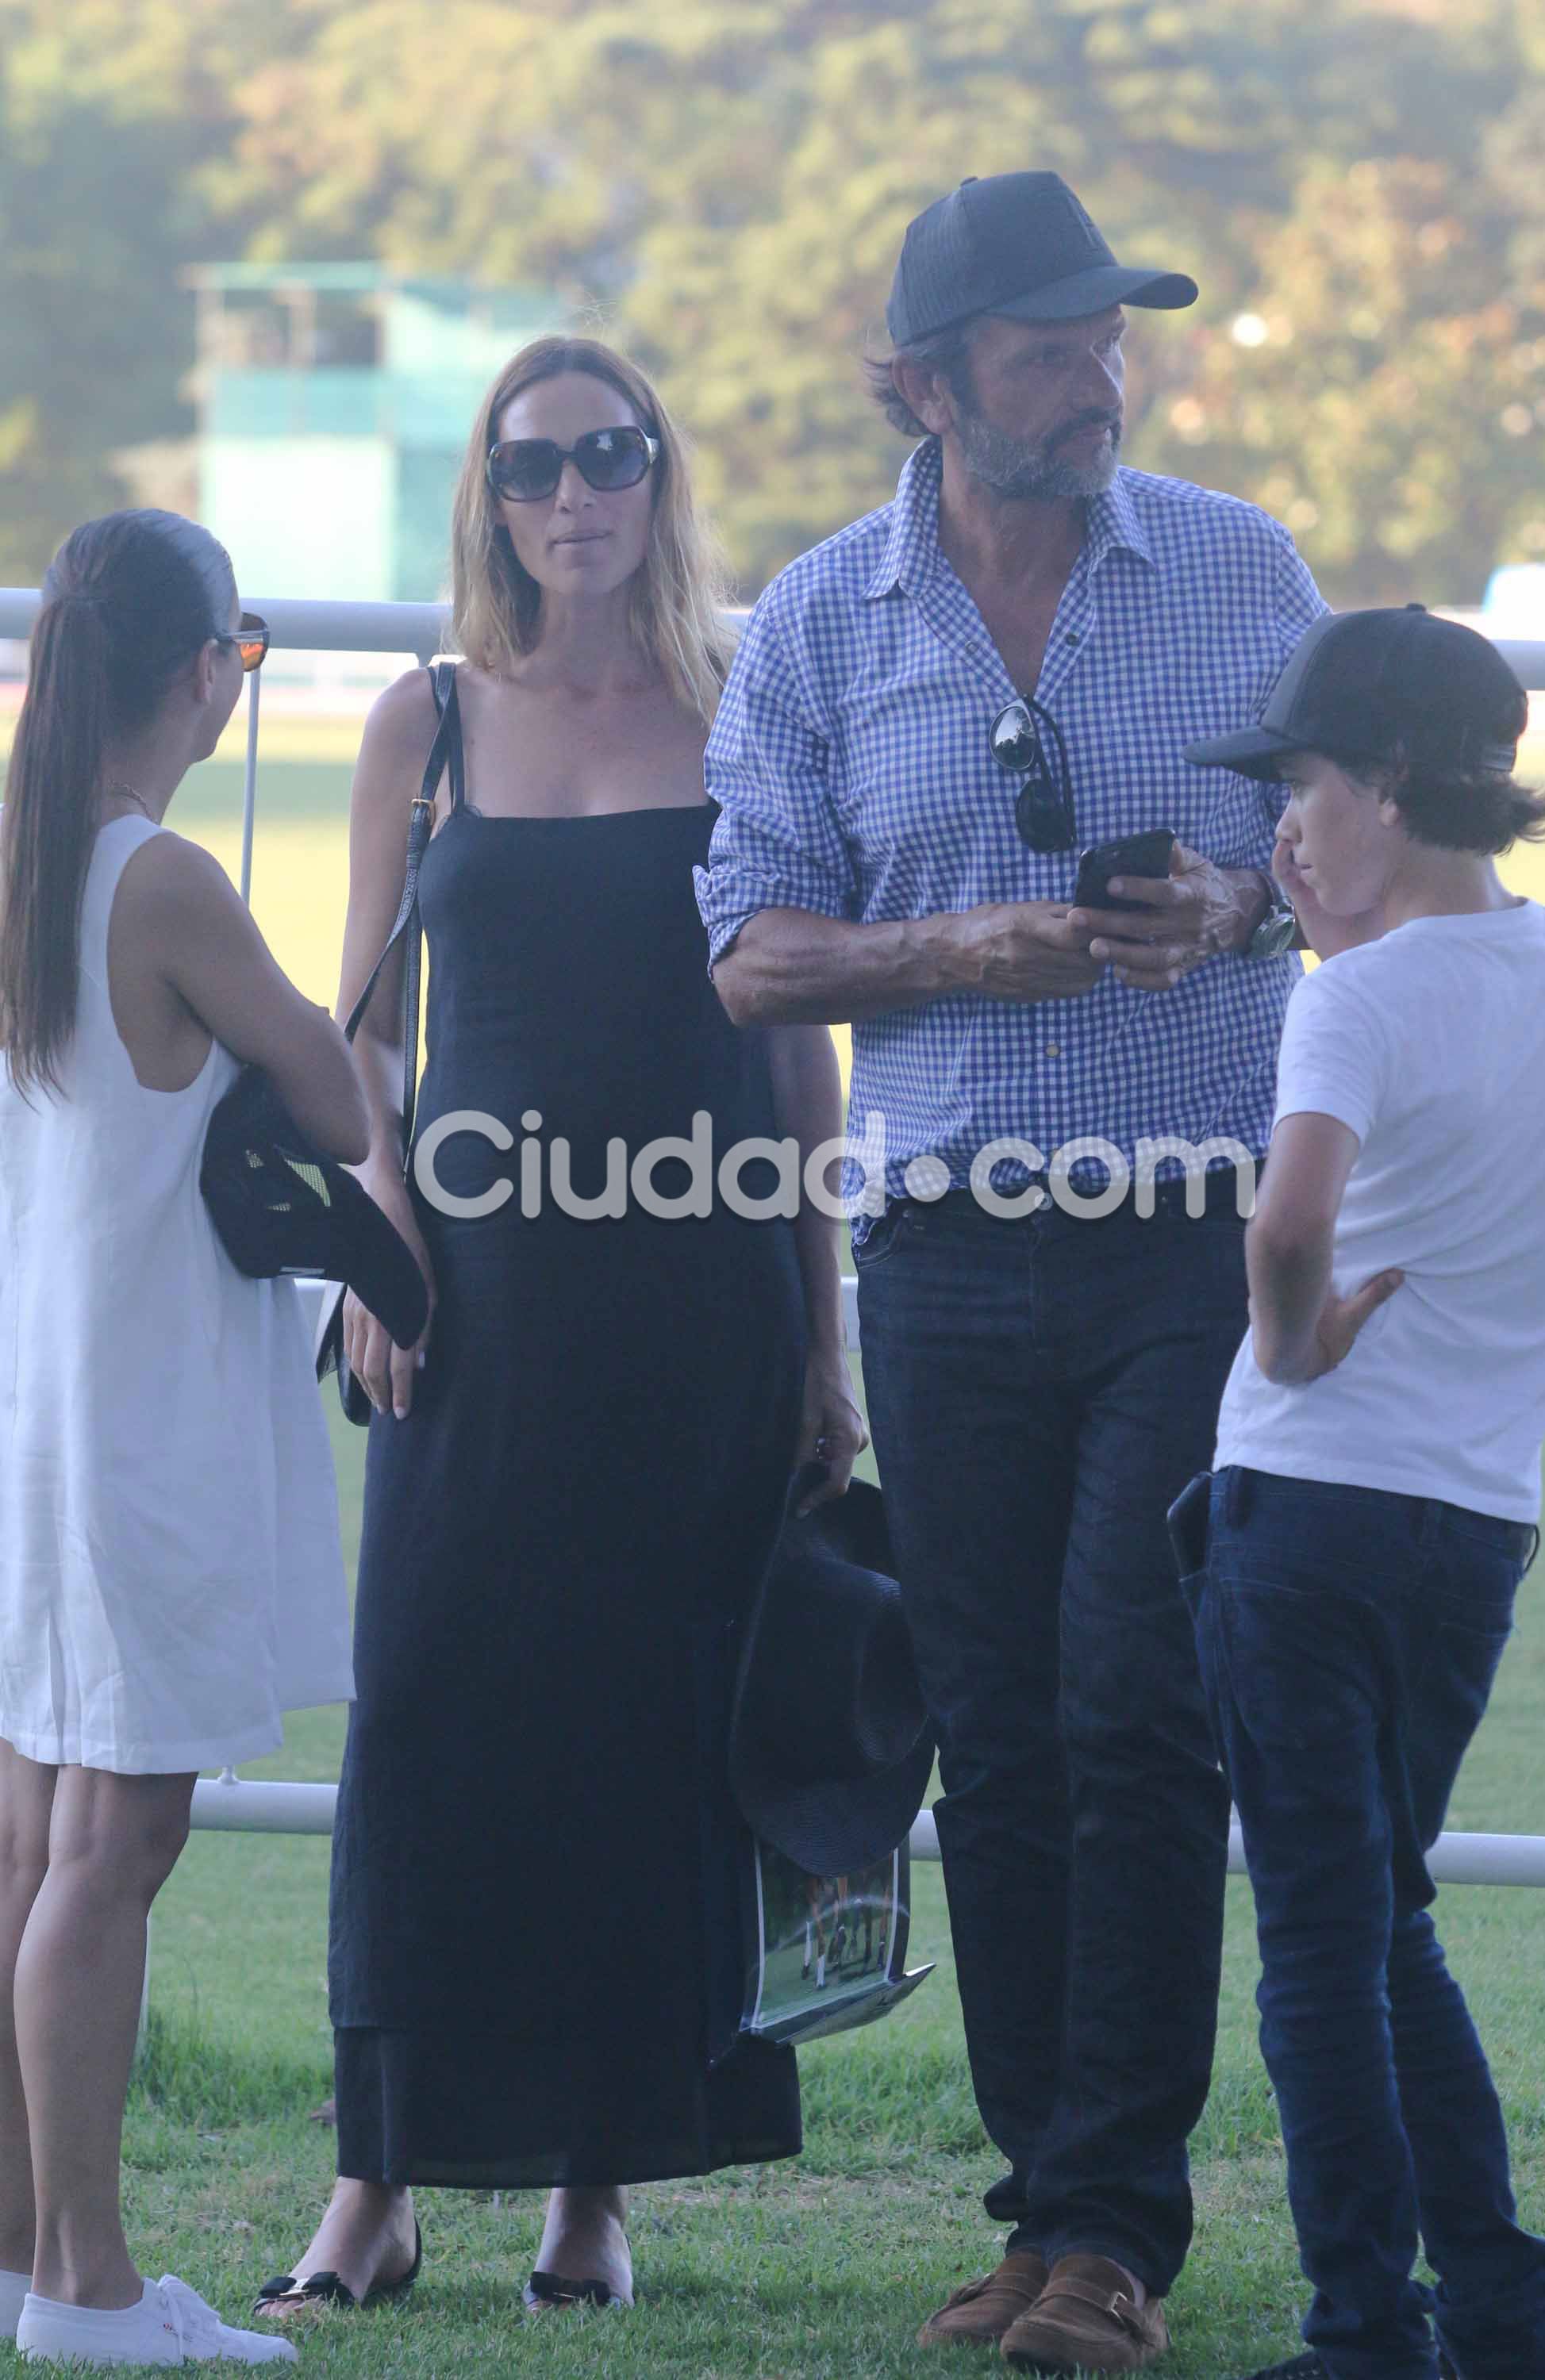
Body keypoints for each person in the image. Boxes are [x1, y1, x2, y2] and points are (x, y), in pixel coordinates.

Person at [696, 167, 1326, 2369]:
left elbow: (1354, 846)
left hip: (1186, 1231)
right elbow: (755, 951)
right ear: (924, 382)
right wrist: (959, 948)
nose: (1101, 372)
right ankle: (1041, 2213)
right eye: (1052, 343)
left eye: (1110, 335)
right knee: (998, 1728)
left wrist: (1250, 901)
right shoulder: (814, 622)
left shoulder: (1244, 572)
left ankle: (1113, 2240)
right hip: (949, 1252)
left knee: (1138, 1706)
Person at [257, 336, 865, 2326]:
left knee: (645, 1739)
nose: (574, 494)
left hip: (696, 1303)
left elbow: (801, 1071)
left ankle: (595, 2191)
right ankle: (375, 2183)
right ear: (490, 494)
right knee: (429, 1718)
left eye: (611, 456)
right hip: (478, 1310)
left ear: (658, 476)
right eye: (536, 465)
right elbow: (360, 1038)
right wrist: (379, 1243)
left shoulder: (743, 713)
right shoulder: (423, 722)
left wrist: (824, 1341)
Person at [1173, 605, 1545, 2380]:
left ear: (1396, 787)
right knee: (1385, 1912)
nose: (1282, 829)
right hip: (1476, 1525)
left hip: (1307, 1506)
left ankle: (1363, 2331)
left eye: (1306, 786)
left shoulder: (1352, 1003)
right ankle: (1496, 2310)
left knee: (1321, 1949)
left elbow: (1285, 1225)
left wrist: (1292, 1345)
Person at [0, 510, 365, 2367]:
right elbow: (337, 1084)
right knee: (112, 1848)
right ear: (199, 667)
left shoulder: (19, 852)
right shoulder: (161, 880)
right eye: (244, 647)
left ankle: (21, 2256)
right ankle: (84, 2291)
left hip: (33, 1411)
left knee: (27, 1835)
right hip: (139, 1415)